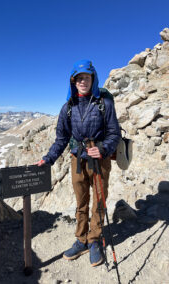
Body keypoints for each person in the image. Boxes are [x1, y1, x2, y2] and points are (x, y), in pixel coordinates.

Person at [36, 59, 121, 267]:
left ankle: (94, 240)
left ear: (93, 79)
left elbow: (114, 133)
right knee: (81, 201)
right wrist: (48, 159)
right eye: (79, 78)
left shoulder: (104, 104)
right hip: (77, 159)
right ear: (73, 82)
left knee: (99, 200)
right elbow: (61, 138)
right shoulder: (68, 107)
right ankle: (81, 239)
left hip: (99, 159)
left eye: (87, 77)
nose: (83, 81)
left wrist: (102, 149)